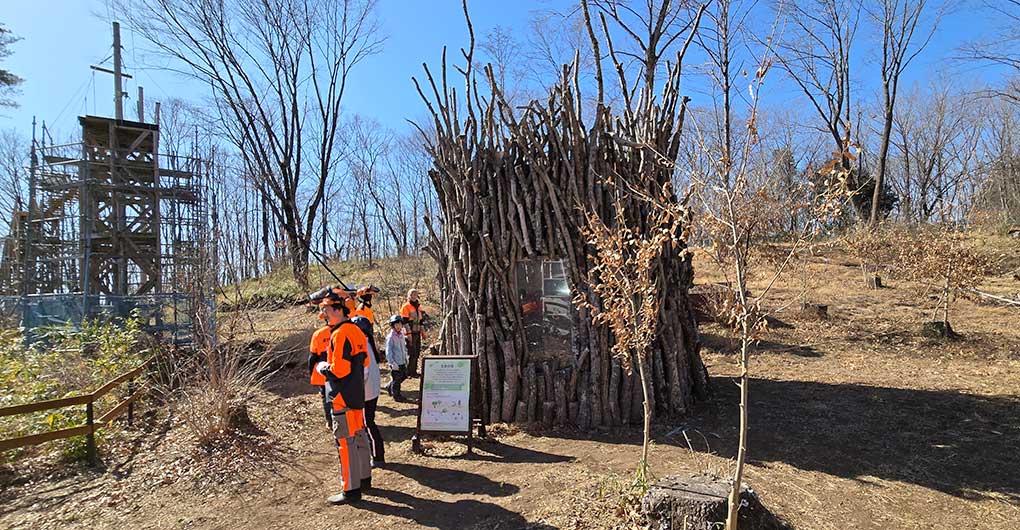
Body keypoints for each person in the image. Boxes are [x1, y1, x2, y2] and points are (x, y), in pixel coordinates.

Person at [315, 290, 372, 505]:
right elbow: (365, 362)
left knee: (345, 443)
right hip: (356, 395)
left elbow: (339, 369)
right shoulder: (357, 330)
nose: (325, 316)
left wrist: (322, 367)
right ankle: (365, 479)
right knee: (360, 436)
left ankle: (350, 489)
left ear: (339, 309)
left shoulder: (339, 334)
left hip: (341, 397)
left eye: (326, 311)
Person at [351, 315, 385, 468]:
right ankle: (377, 455)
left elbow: (363, 373)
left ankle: (378, 456)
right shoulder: (368, 343)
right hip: (372, 390)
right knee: (369, 422)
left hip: (367, 392)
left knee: (368, 423)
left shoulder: (361, 345)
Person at [307, 304, 333, 428]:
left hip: (323, 373)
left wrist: (310, 371)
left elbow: (313, 357)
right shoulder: (344, 330)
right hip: (341, 370)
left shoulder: (318, 334)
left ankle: (330, 421)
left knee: (326, 398)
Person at [399, 289, 427, 377]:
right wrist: (408, 334)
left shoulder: (419, 307)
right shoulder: (405, 306)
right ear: (408, 295)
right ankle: (407, 372)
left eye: (415, 294)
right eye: (412, 294)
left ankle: (413, 371)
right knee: (411, 353)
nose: (414, 295)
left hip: (417, 332)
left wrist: (423, 332)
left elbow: (421, 321)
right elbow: (405, 322)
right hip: (410, 332)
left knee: (417, 352)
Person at [385, 314, 408, 402]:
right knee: (397, 380)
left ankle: (390, 386)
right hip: (395, 362)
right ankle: (396, 395)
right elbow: (388, 351)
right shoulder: (390, 337)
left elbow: (403, 348)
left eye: (400, 324)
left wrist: (406, 358)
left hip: (402, 361)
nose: (398, 326)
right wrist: (392, 362)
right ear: (392, 325)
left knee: (404, 375)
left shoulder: (401, 335)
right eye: (396, 324)